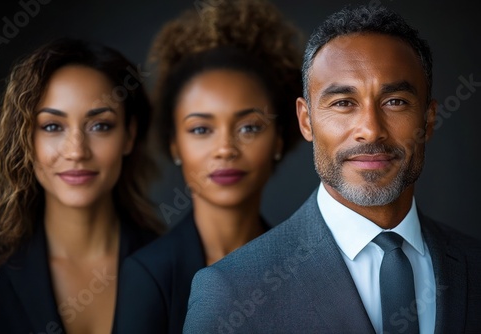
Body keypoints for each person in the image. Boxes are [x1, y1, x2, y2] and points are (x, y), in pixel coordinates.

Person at [183, 5, 481, 334]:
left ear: (428, 118)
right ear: (305, 120)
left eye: (395, 101)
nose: (370, 129)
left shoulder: (474, 264)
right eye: (343, 103)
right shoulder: (231, 292)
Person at [113, 0, 303, 333]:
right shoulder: (149, 275)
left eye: (249, 127)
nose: (226, 149)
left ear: (279, 139)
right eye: (201, 129)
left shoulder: (305, 267)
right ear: (174, 144)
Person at [0, 38, 164, 334]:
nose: (77, 151)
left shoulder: (170, 265)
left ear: (129, 136)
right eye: (52, 126)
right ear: (27, 139)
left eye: (100, 125)